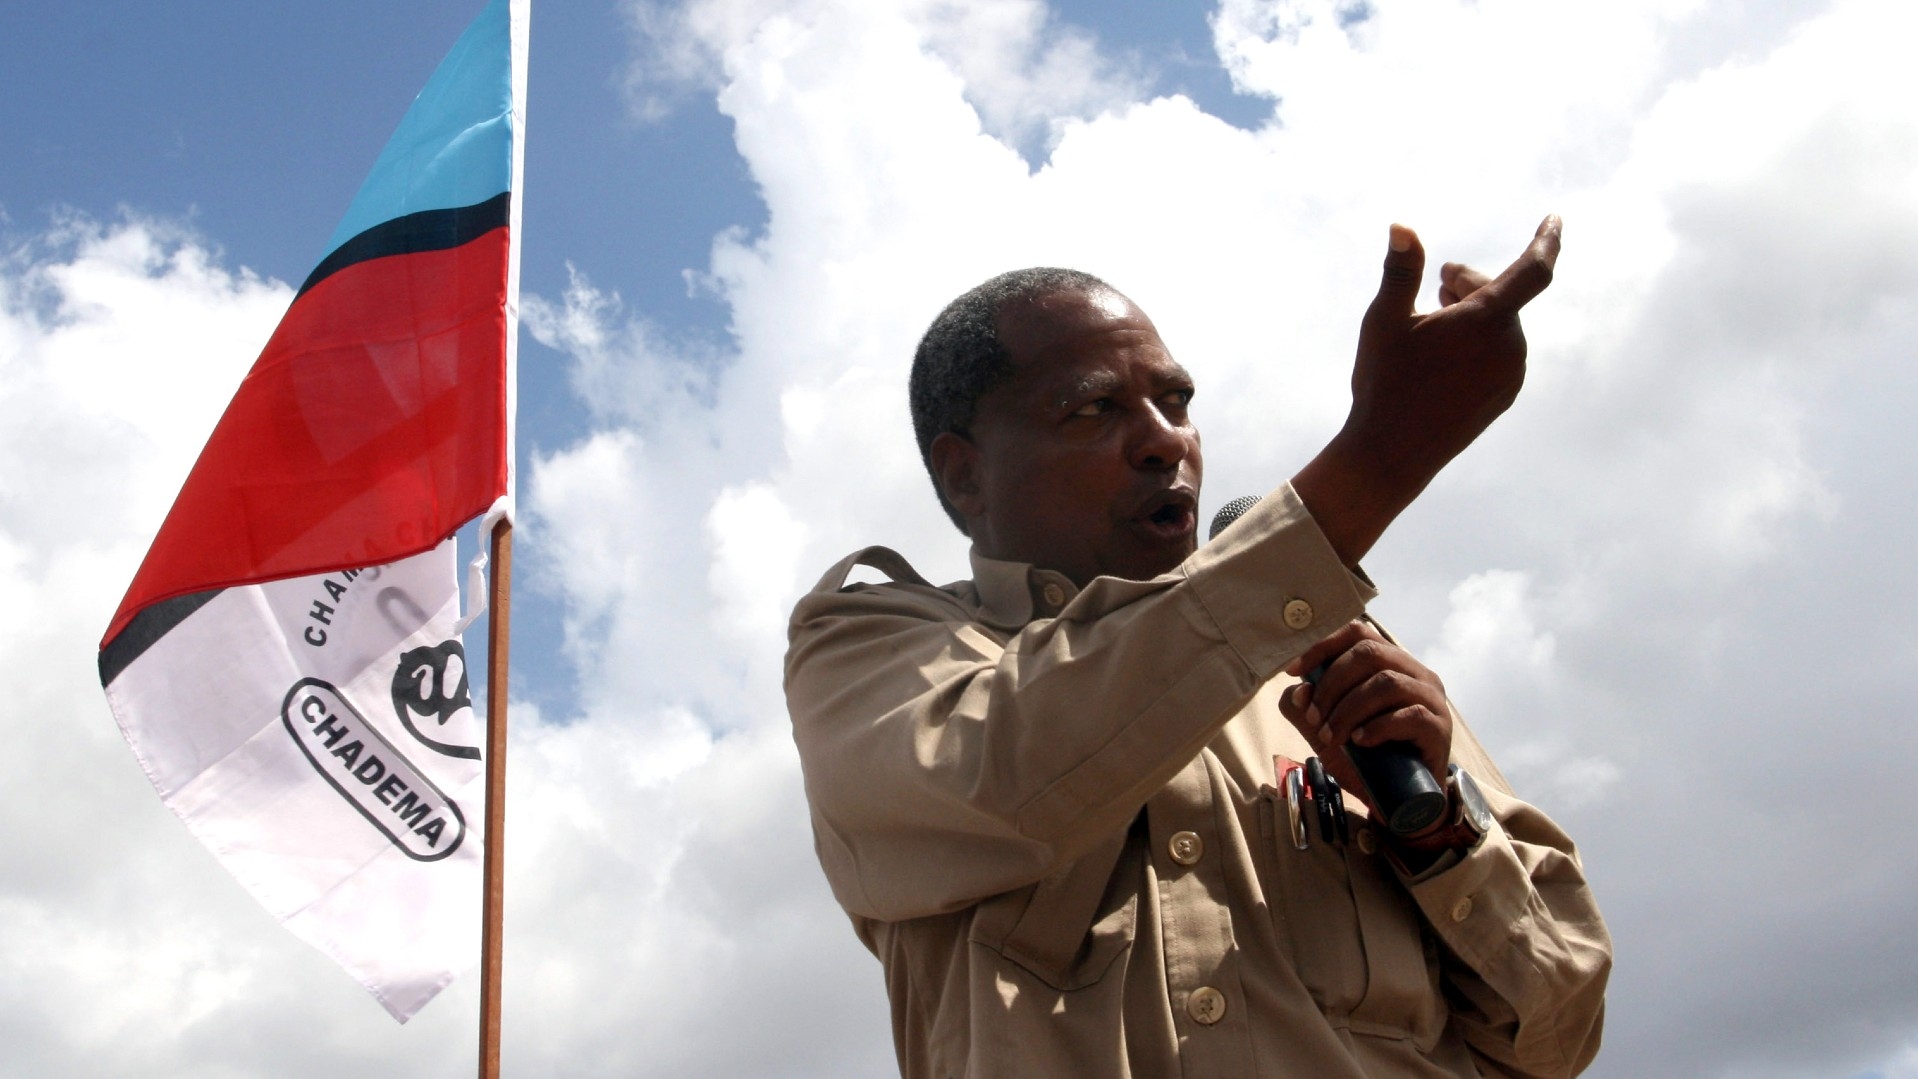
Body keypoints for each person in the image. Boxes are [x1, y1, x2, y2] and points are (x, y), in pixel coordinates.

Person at [784, 219, 1611, 1078]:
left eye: (1176, 403)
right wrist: (1379, 457)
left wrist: (1437, 829)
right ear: (964, 473)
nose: (1164, 440)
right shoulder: (873, 655)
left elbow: (1558, 1030)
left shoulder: (1327, 655)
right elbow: (1005, 780)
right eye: (1095, 407)